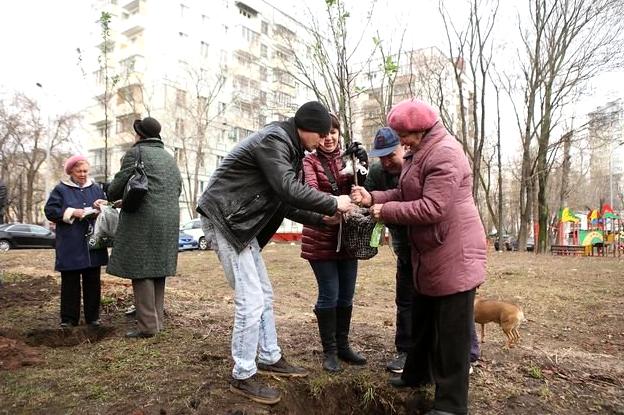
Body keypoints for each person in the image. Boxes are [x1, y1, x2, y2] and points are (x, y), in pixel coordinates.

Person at [196, 101, 354, 405]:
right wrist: (333, 202)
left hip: (241, 223)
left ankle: (269, 356)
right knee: (251, 299)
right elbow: (286, 189)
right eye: (320, 135)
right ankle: (242, 375)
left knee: (264, 294)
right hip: (225, 217)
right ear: (306, 128)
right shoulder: (274, 141)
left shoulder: (291, 149)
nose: (323, 142)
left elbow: (285, 202)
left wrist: (322, 217)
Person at [351, 99, 486, 415]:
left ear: (420, 128)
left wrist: (387, 211)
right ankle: (416, 374)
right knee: (423, 320)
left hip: (455, 251)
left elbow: (432, 207)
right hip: (431, 253)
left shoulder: (445, 154)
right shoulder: (420, 152)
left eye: (404, 135)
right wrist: (373, 196)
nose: (402, 142)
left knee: (452, 333)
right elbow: (405, 192)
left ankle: (451, 405)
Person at [301, 113, 368, 373]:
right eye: (324, 133)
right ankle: (329, 350)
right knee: (330, 292)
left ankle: (343, 346)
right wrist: (330, 208)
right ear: (316, 136)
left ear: (339, 133)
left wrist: (361, 167)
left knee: (347, 294)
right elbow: (311, 191)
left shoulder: (348, 158)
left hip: (348, 237)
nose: (329, 138)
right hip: (321, 236)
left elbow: (359, 191)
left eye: (334, 132)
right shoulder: (309, 161)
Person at [106, 117, 182, 339]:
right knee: (158, 269)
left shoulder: (136, 153)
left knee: (141, 270)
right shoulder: (169, 158)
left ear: (139, 134)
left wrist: (114, 195)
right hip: (169, 219)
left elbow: (117, 187)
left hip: (144, 218)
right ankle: (156, 322)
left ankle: (147, 327)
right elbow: (175, 187)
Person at [364, 127, 413, 373]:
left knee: (440, 301)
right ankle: (405, 351)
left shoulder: (416, 167)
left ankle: (458, 354)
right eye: (380, 156)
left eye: (390, 155)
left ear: (404, 147)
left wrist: (386, 208)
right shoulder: (376, 172)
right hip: (402, 247)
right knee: (404, 300)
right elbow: (369, 202)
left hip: (428, 248)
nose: (385, 161)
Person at [44, 155, 108, 328]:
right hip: (70, 242)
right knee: (70, 281)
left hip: (92, 241)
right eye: (79, 171)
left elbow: (105, 208)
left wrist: (100, 207)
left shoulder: (95, 188)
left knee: (93, 280)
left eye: (85, 171)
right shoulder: (60, 189)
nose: (82, 174)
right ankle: (68, 319)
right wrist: (72, 212)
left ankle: (93, 318)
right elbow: (51, 211)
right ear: (71, 171)